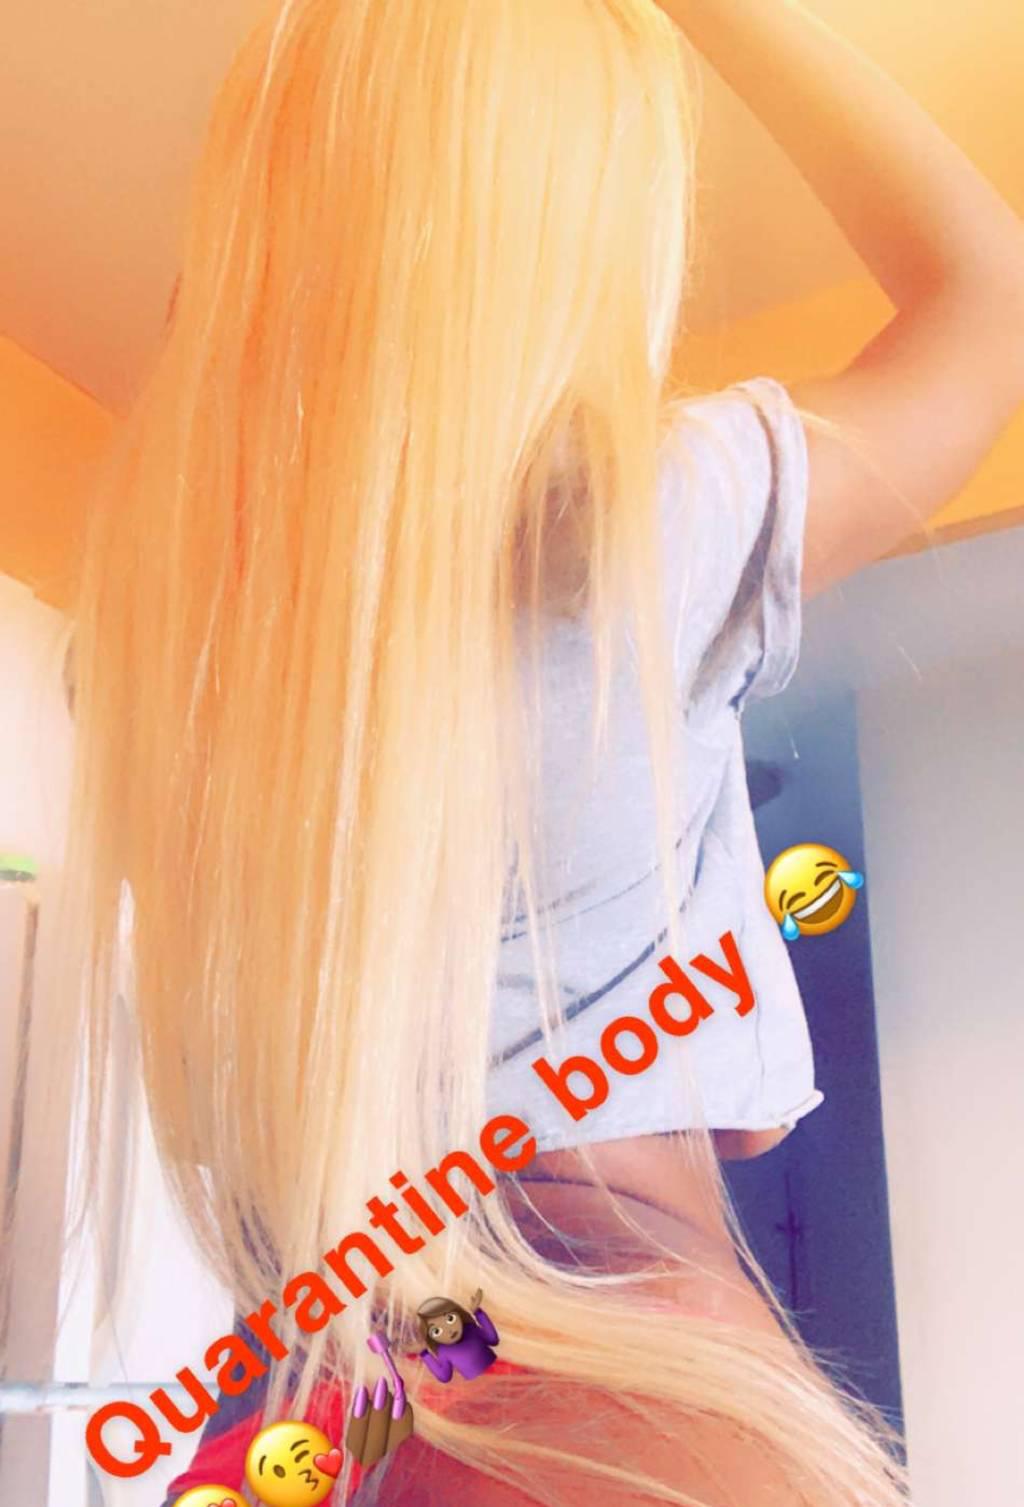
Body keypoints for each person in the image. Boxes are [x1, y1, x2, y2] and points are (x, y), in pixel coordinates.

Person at [16, 1, 1024, 1504]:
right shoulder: (635, 524)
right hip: (602, 1346)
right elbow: (990, 300)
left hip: (356, 1384)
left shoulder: (153, 649)